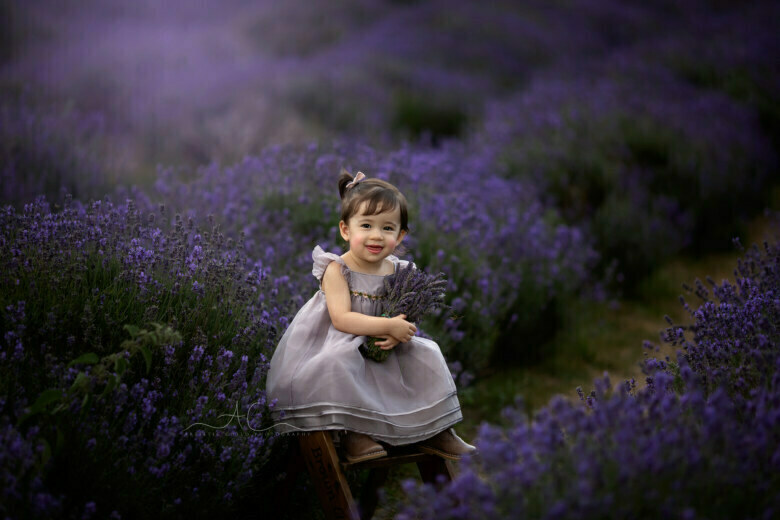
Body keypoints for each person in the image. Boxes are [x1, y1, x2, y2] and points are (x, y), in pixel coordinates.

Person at [265, 170, 476, 463]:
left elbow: (405, 310)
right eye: (366, 225)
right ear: (345, 230)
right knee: (337, 363)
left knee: (428, 352)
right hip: (337, 342)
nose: (376, 235)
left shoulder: (400, 270)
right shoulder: (336, 269)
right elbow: (342, 319)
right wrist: (387, 325)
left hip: (381, 343)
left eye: (388, 228)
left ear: (400, 235)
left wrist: (397, 330)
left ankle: (435, 429)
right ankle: (355, 434)